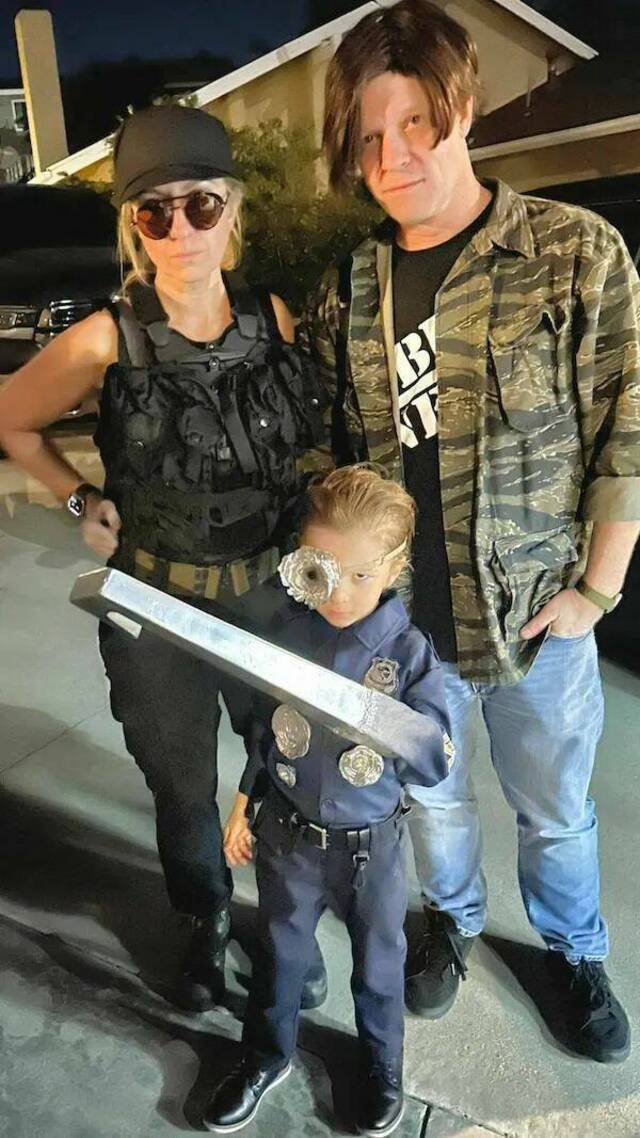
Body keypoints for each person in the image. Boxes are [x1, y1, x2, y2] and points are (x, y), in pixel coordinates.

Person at [300, 0, 640, 1063]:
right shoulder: (349, 290)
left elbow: (627, 427)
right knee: (435, 803)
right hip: (406, 631)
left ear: (463, 110)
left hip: (536, 621)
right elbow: (326, 460)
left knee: (556, 811)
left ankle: (574, 952)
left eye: (415, 123)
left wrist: (595, 591)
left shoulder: (572, 253)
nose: (392, 156)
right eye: (369, 135)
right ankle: (449, 921)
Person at [0, 102, 328, 1013]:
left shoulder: (273, 317)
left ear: (232, 209)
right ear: (133, 226)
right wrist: (80, 500)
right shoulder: (106, 336)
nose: (180, 230)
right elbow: (12, 420)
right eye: (154, 211)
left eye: (200, 205)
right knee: (182, 784)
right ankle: (205, 919)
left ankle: (286, 924)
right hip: (156, 605)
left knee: (284, 770)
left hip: (267, 596)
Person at [203, 466, 453, 1136]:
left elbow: (434, 760)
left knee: (379, 965)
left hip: (371, 848)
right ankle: (265, 1054)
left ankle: (381, 1066)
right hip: (288, 837)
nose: (339, 592)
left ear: (395, 568)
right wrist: (243, 805)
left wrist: (381, 719)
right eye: (322, 570)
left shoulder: (410, 654)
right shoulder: (291, 632)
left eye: (361, 574)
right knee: (279, 956)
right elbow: (267, 735)